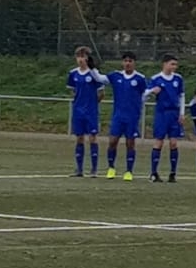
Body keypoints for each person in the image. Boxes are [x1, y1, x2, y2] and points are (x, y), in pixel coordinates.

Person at [104, 51, 148, 180]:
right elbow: (101, 79)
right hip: (118, 116)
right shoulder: (116, 75)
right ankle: (111, 168)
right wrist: (92, 67)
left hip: (132, 117)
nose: (128, 63)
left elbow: (145, 93)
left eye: (130, 61)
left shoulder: (140, 78)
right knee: (113, 141)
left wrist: (138, 104)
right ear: (122, 63)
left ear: (134, 63)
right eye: (125, 61)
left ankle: (129, 171)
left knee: (130, 143)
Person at [146, 54, 186, 183]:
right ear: (165, 64)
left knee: (173, 142)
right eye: (172, 64)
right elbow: (144, 94)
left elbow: (182, 96)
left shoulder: (178, 78)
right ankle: (153, 173)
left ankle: (172, 173)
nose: (174, 67)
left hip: (174, 114)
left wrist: (182, 113)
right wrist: (152, 91)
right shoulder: (156, 78)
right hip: (162, 113)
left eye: (176, 64)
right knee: (159, 141)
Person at [66, 47, 105, 177]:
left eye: (83, 56)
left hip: (91, 112)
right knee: (79, 138)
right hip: (78, 112)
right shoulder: (73, 73)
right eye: (78, 57)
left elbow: (101, 93)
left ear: (88, 58)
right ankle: (79, 169)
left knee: (93, 138)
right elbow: (72, 91)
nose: (80, 59)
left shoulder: (94, 74)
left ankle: (94, 169)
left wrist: (92, 104)